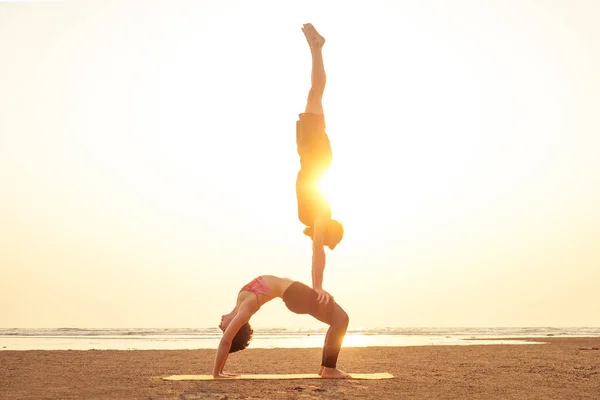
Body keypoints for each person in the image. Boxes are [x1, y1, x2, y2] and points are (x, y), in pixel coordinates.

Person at [213, 275, 351, 379]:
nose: (220, 325)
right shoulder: (244, 311)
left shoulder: (240, 303)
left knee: (337, 322)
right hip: (296, 294)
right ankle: (329, 369)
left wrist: (221, 371)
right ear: (234, 328)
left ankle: (325, 368)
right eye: (224, 330)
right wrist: (217, 374)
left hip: (295, 294)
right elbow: (226, 342)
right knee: (341, 319)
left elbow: (228, 341)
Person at [295, 23, 344, 304]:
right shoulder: (320, 216)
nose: (320, 238)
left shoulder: (314, 216)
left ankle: (316, 48)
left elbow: (318, 247)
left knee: (314, 95)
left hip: (308, 156)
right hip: (315, 158)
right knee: (315, 93)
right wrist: (317, 286)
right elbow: (318, 252)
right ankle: (317, 47)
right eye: (325, 237)